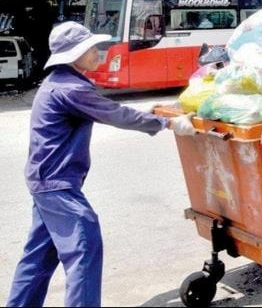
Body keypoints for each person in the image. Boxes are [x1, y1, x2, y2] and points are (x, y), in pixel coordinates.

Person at [7, 22, 197, 307]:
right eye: (90, 48)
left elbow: (109, 110)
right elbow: (114, 114)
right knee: (84, 246)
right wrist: (168, 123)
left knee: (39, 256)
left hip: (44, 181)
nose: (98, 52)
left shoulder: (60, 82)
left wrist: (150, 114)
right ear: (74, 55)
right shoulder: (70, 88)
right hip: (57, 185)